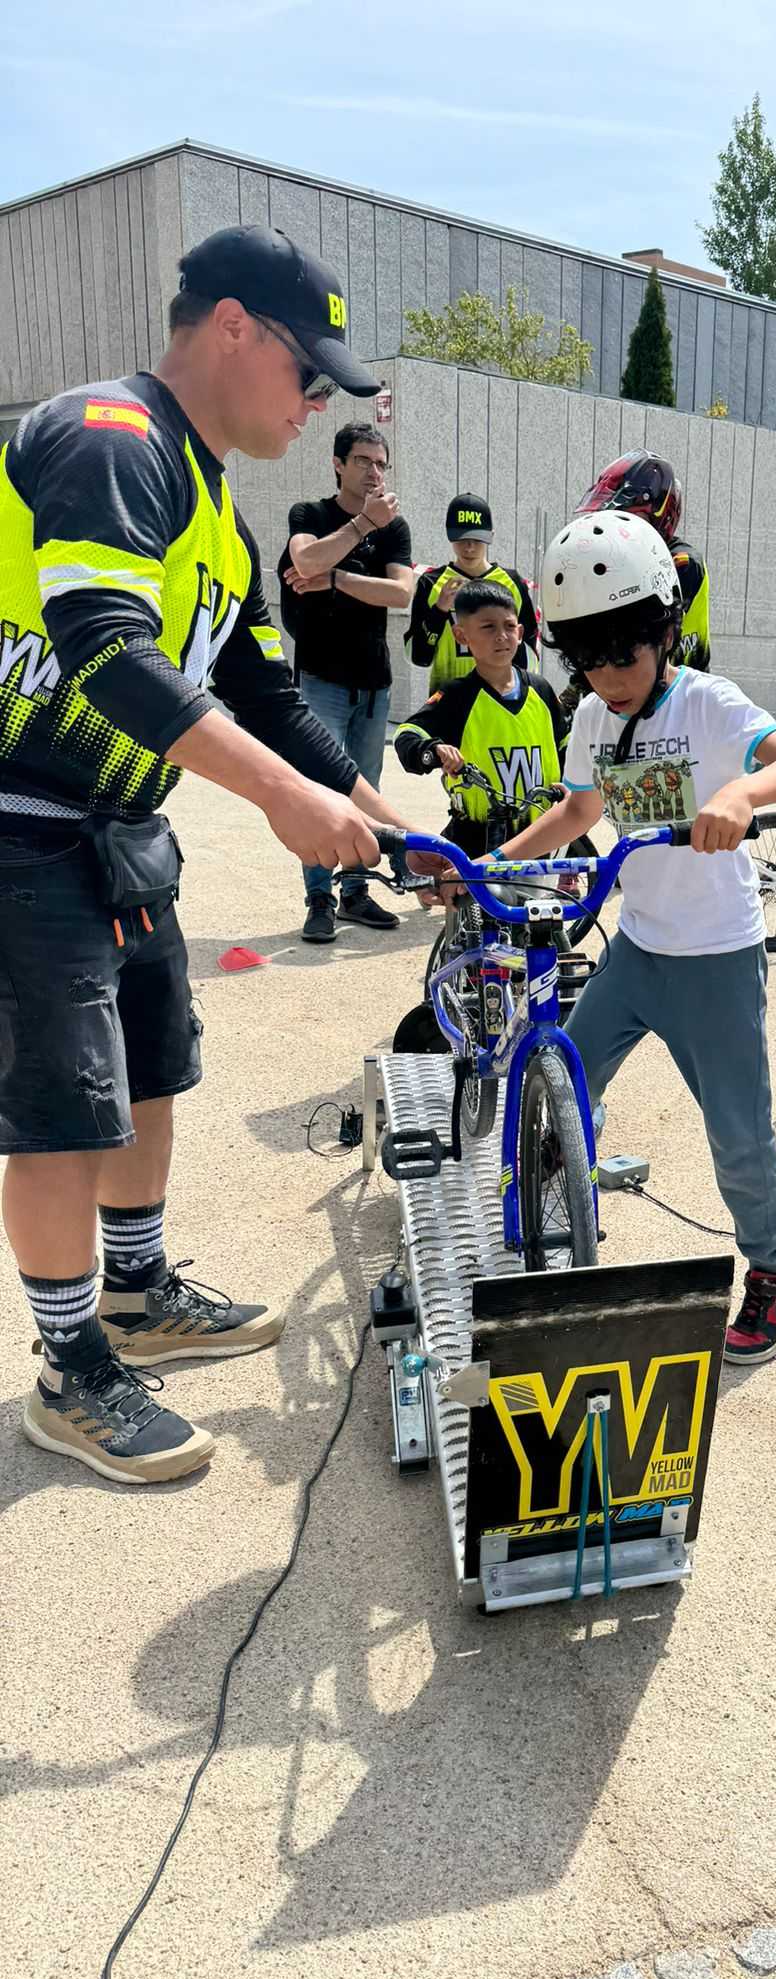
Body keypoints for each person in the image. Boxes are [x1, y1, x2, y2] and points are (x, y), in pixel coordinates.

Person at [0, 223, 415, 1484]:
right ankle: (70, 1369)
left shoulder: (218, 514)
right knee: (59, 1110)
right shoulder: (106, 441)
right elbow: (107, 647)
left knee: (147, 1067)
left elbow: (264, 688)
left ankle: (134, 1291)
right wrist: (288, 802)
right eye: (309, 372)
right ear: (232, 326)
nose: (316, 405)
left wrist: (391, 822)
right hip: (23, 828)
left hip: (122, 829)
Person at [443, 510, 776, 1366]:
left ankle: (775, 1266)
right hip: (638, 949)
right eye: (587, 658)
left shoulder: (708, 704)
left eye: (623, 653)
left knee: (737, 1132)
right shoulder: (586, 718)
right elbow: (578, 811)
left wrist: (744, 797)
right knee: (566, 1077)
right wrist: (487, 864)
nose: (607, 675)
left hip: (717, 957)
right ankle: (560, 1186)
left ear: (664, 632)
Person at [280, 423, 414, 943]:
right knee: (319, 793)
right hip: (321, 681)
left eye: (381, 463)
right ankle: (320, 897)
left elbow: (400, 593)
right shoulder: (311, 515)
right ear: (338, 463)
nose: (374, 471)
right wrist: (361, 526)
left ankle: (356, 892)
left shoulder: (394, 528)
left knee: (365, 793)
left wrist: (337, 579)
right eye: (363, 460)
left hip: (374, 683)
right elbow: (305, 559)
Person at [395, 581, 567, 857]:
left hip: (540, 841)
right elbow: (406, 735)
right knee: (470, 898)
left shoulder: (542, 690)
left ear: (521, 632)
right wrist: (433, 750)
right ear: (461, 635)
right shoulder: (456, 696)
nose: (501, 636)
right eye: (488, 627)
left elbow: (568, 745)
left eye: (509, 626)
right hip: (475, 840)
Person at [561, 452, 709, 714]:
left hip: (678, 700)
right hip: (631, 694)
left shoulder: (681, 563)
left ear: (660, 515)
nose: (617, 527)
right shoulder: (620, 562)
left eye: (627, 516)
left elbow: (625, 632)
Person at [404, 494, 539, 685]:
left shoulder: (512, 582)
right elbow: (418, 657)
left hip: (501, 697)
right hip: (449, 698)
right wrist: (438, 611)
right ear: (449, 535)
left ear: (491, 535)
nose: (469, 547)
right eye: (461, 539)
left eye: (477, 539)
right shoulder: (431, 583)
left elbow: (531, 657)